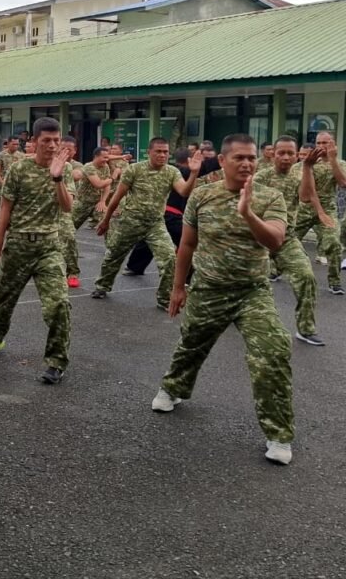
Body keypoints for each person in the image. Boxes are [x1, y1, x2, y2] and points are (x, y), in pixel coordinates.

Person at [152, 134, 294, 466]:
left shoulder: (270, 197)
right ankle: (172, 388)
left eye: (252, 158)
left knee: (273, 352)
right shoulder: (202, 195)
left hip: (252, 292)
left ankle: (279, 434)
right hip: (209, 289)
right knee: (191, 345)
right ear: (224, 161)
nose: (247, 163)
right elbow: (186, 245)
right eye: (240, 158)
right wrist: (178, 287)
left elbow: (274, 240)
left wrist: (248, 214)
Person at [0, 117, 75, 384]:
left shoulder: (65, 169)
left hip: (48, 247)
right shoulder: (19, 169)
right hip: (18, 245)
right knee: (3, 301)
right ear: (35, 142)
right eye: (46, 141)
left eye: (56, 140)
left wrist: (57, 178)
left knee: (58, 305)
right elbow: (5, 208)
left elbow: (67, 207)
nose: (52, 146)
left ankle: (55, 362)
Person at [92, 138, 202, 309]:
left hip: (155, 224)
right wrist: (106, 220)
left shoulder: (172, 172)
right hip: (130, 221)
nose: (162, 155)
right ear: (149, 152)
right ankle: (102, 286)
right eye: (158, 151)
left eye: (165, 152)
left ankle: (164, 299)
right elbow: (117, 197)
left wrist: (194, 173)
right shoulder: (135, 169)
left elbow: (184, 191)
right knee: (113, 255)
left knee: (169, 259)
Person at [255, 136, 325, 345]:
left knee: (306, 276)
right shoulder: (261, 178)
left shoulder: (299, 176)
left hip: (287, 238)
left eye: (290, 154)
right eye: (281, 153)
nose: (285, 158)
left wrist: (307, 168)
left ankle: (305, 329)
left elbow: (305, 197)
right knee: (249, 282)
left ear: (296, 156)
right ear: (272, 154)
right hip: (259, 239)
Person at [123, 148, 191, 276]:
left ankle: (134, 266)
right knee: (188, 243)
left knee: (149, 239)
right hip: (172, 214)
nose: (162, 155)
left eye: (165, 152)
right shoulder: (181, 172)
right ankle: (187, 276)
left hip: (162, 213)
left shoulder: (169, 171)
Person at [293, 131, 346, 294]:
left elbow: (343, 183)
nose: (322, 147)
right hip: (304, 208)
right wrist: (319, 212)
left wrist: (332, 160)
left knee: (334, 243)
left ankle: (335, 282)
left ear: (333, 144)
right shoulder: (304, 164)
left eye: (326, 143)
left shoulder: (340, 163)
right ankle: (274, 270)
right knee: (286, 240)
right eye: (319, 143)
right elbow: (308, 192)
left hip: (328, 208)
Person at [59, 136, 85, 288]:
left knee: (69, 237)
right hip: (43, 209)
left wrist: (60, 167)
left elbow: (77, 175)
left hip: (66, 207)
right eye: (63, 148)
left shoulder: (75, 166)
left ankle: (73, 272)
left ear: (75, 151)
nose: (66, 152)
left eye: (69, 149)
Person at [0, 137, 23, 231]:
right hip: (3, 184)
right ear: (8, 144)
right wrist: (3, 183)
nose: (16, 146)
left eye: (17, 144)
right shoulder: (1, 155)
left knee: (15, 205)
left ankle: (11, 224)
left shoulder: (21, 156)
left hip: (16, 185)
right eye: (13, 144)